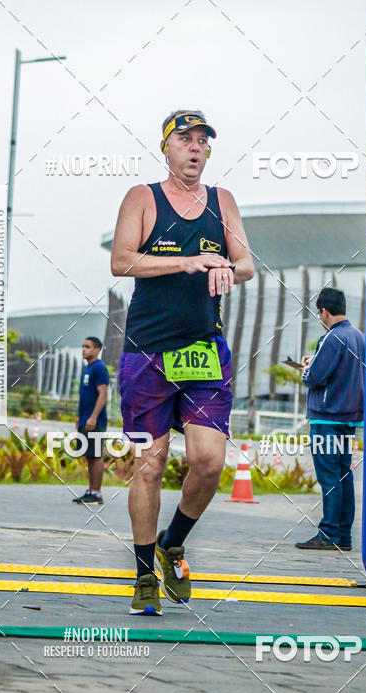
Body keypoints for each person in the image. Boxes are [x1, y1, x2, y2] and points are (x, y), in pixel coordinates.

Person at [111, 109, 254, 615]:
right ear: (166, 147)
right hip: (148, 354)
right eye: (184, 140)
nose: (194, 148)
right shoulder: (142, 198)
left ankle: (175, 541)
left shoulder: (223, 202)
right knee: (148, 468)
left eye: (201, 142)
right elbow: (122, 260)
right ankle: (144, 573)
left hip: (202, 352)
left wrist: (227, 269)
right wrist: (188, 261)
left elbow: (247, 263)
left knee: (209, 462)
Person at [295, 287, 365, 553]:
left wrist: (306, 368)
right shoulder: (358, 336)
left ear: (324, 311)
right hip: (349, 418)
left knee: (329, 477)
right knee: (343, 474)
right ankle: (343, 534)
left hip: (327, 417)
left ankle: (329, 533)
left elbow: (315, 377)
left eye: (319, 313)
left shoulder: (332, 338)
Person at [72, 336, 110, 505]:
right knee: (89, 456)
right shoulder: (87, 369)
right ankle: (90, 490)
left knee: (95, 455)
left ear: (97, 350)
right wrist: (80, 418)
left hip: (95, 421)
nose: (84, 349)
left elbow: (103, 393)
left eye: (87, 346)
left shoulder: (99, 368)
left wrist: (94, 417)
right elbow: (85, 396)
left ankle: (96, 493)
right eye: (83, 346)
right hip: (85, 420)